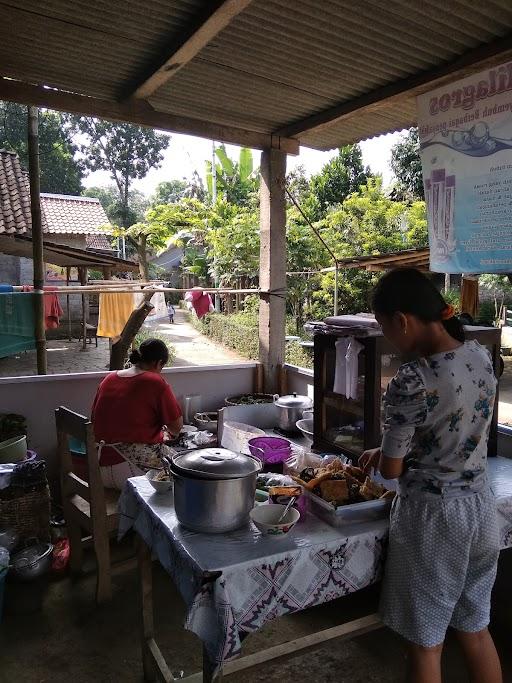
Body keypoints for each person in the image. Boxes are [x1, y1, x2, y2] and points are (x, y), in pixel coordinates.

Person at [359, 268, 501, 683]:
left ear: (401, 320)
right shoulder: (478, 354)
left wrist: (387, 452)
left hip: (433, 520)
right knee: (475, 628)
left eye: (385, 327)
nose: (388, 337)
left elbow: (391, 469)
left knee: (426, 641)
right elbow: (452, 432)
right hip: (479, 509)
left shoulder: (412, 378)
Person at [92, 338, 183, 490]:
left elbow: (95, 420)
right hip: (129, 471)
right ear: (158, 363)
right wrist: (165, 432)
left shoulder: (109, 378)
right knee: (184, 472)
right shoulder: (154, 381)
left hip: (98, 466)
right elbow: (176, 427)